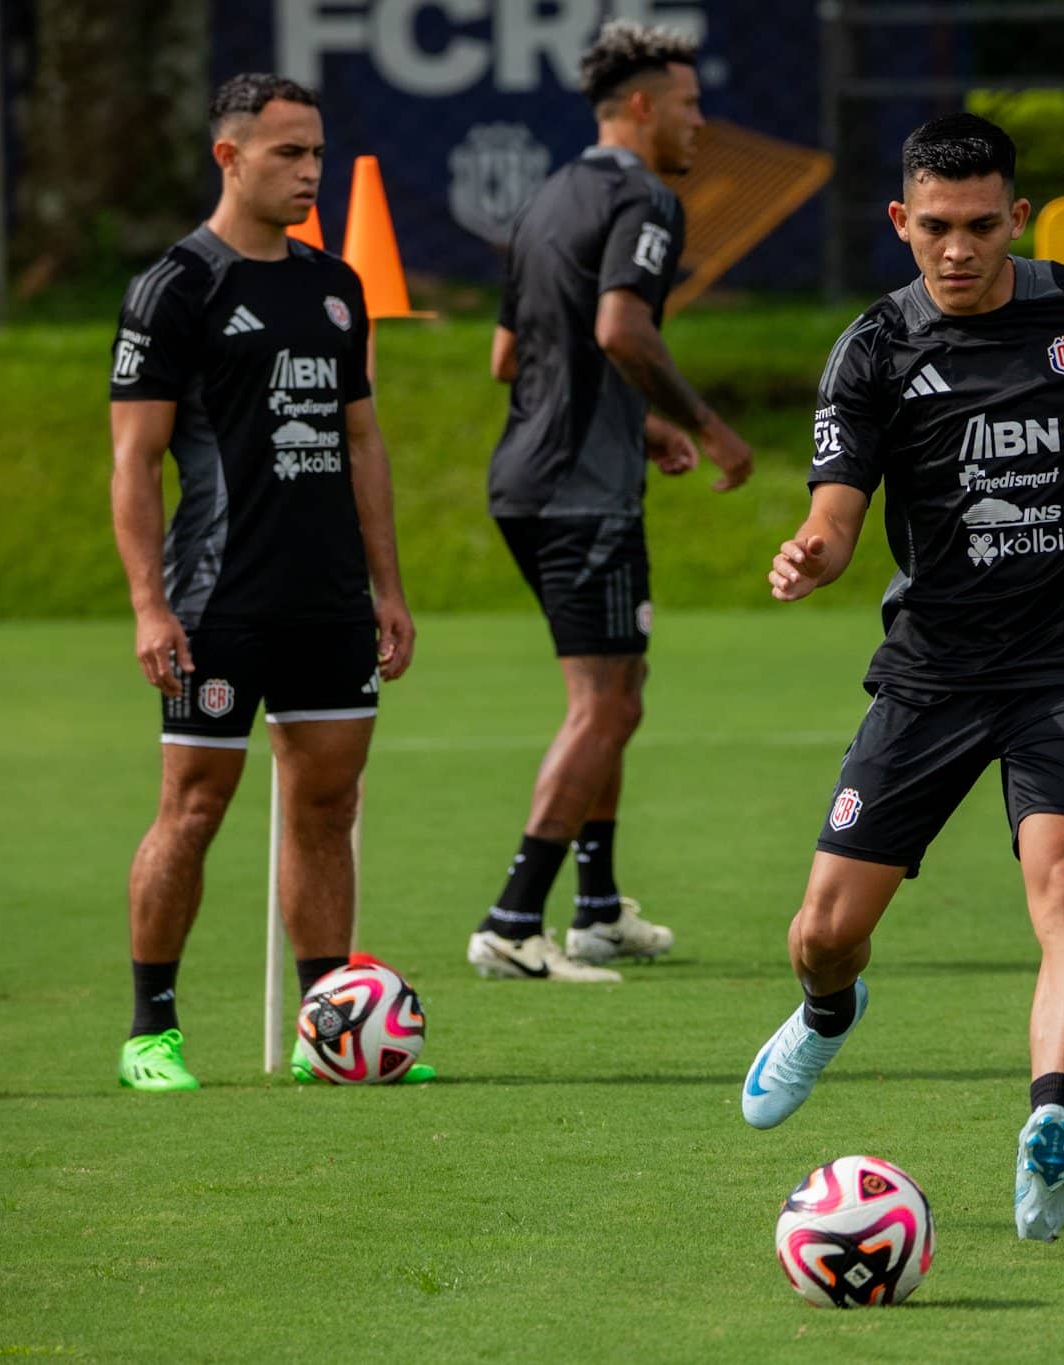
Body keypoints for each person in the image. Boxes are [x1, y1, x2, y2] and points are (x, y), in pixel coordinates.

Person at [738, 114, 1064, 1245]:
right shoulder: (872, 349)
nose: (955, 250)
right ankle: (827, 1012)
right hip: (930, 672)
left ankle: (1049, 1126)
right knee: (821, 931)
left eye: (977, 226)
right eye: (932, 229)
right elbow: (835, 509)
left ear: (1016, 216)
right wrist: (813, 552)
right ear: (899, 224)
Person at [109, 73, 421, 1090]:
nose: (309, 172)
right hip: (215, 602)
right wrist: (150, 603)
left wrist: (387, 585)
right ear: (229, 157)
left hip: (328, 600)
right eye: (288, 153)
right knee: (193, 807)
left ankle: (326, 1030)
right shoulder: (176, 289)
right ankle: (150, 1030)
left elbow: (362, 441)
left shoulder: (336, 285)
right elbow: (134, 461)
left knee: (328, 805)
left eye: (317, 153)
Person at [470, 21, 754, 983]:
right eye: (687, 105)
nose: (697, 123)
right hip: (581, 494)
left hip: (525, 478)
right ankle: (513, 918)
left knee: (616, 700)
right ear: (640, 107)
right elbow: (620, 329)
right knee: (602, 706)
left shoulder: (548, 198)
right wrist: (706, 423)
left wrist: (642, 430)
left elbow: (511, 357)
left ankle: (595, 907)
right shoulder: (645, 198)